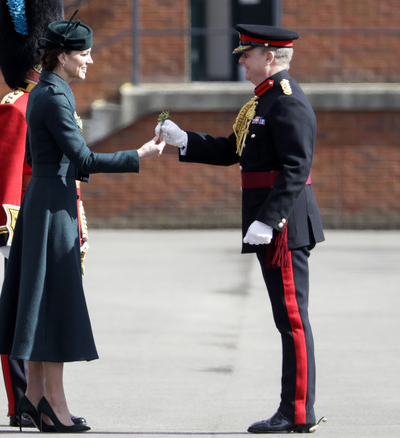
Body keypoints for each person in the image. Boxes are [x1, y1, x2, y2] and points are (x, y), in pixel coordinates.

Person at [0, 12, 164, 433]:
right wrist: (138, 156)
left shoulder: (46, 90)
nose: (91, 60)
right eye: (84, 54)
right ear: (63, 56)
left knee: (42, 306)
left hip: (46, 202)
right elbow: (82, 158)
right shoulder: (55, 95)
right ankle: (51, 405)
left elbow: (37, 156)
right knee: (56, 308)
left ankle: (32, 399)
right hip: (52, 211)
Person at [156, 24, 325, 434]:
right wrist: (185, 141)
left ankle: (297, 411)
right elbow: (232, 150)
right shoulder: (261, 102)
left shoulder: (287, 102)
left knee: (292, 321)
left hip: (282, 226)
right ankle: (294, 409)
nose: (241, 60)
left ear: (269, 57)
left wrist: (269, 220)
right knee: (286, 319)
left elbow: (296, 167)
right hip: (269, 222)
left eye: (247, 54)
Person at [0, 0, 86, 429]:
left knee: (45, 314)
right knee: (25, 315)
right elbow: (3, 177)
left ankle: (34, 398)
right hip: (29, 224)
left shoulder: (48, 98)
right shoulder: (16, 106)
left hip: (57, 218)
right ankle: (21, 399)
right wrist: (7, 237)